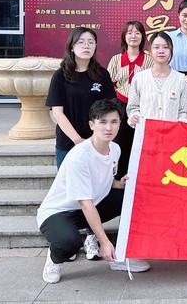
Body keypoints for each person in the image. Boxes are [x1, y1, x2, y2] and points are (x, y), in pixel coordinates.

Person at [38, 99, 150, 284]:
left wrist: (119, 184)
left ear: (120, 124)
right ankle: (54, 258)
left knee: (133, 197)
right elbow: (85, 203)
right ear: (92, 125)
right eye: (102, 122)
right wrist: (104, 242)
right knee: (69, 243)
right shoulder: (79, 157)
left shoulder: (115, 149)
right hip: (58, 213)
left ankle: (123, 255)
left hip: (89, 206)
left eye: (114, 122)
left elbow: (105, 179)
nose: (108, 128)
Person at [46, 26, 116, 261]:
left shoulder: (101, 75)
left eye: (91, 42)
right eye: (81, 42)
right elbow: (57, 112)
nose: (86, 46)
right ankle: (68, 238)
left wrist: (98, 138)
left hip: (97, 145)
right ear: (72, 46)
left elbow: (109, 109)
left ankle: (91, 238)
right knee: (73, 192)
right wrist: (78, 140)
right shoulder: (61, 75)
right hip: (69, 144)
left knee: (94, 193)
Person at [106, 21, 154, 180]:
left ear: (143, 37)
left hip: (142, 108)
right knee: (118, 143)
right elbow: (109, 86)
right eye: (129, 33)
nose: (133, 36)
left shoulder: (149, 60)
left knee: (139, 143)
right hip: (119, 106)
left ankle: (137, 180)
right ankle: (117, 179)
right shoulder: (116, 59)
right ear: (124, 37)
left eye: (137, 33)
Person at [127, 31, 187, 125]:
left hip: (172, 133)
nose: (161, 51)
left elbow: (186, 113)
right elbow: (132, 108)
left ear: (171, 50)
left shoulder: (182, 80)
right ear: (150, 51)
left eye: (165, 47)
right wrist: (134, 116)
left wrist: (178, 125)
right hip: (146, 132)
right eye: (156, 47)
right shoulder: (139, 78)